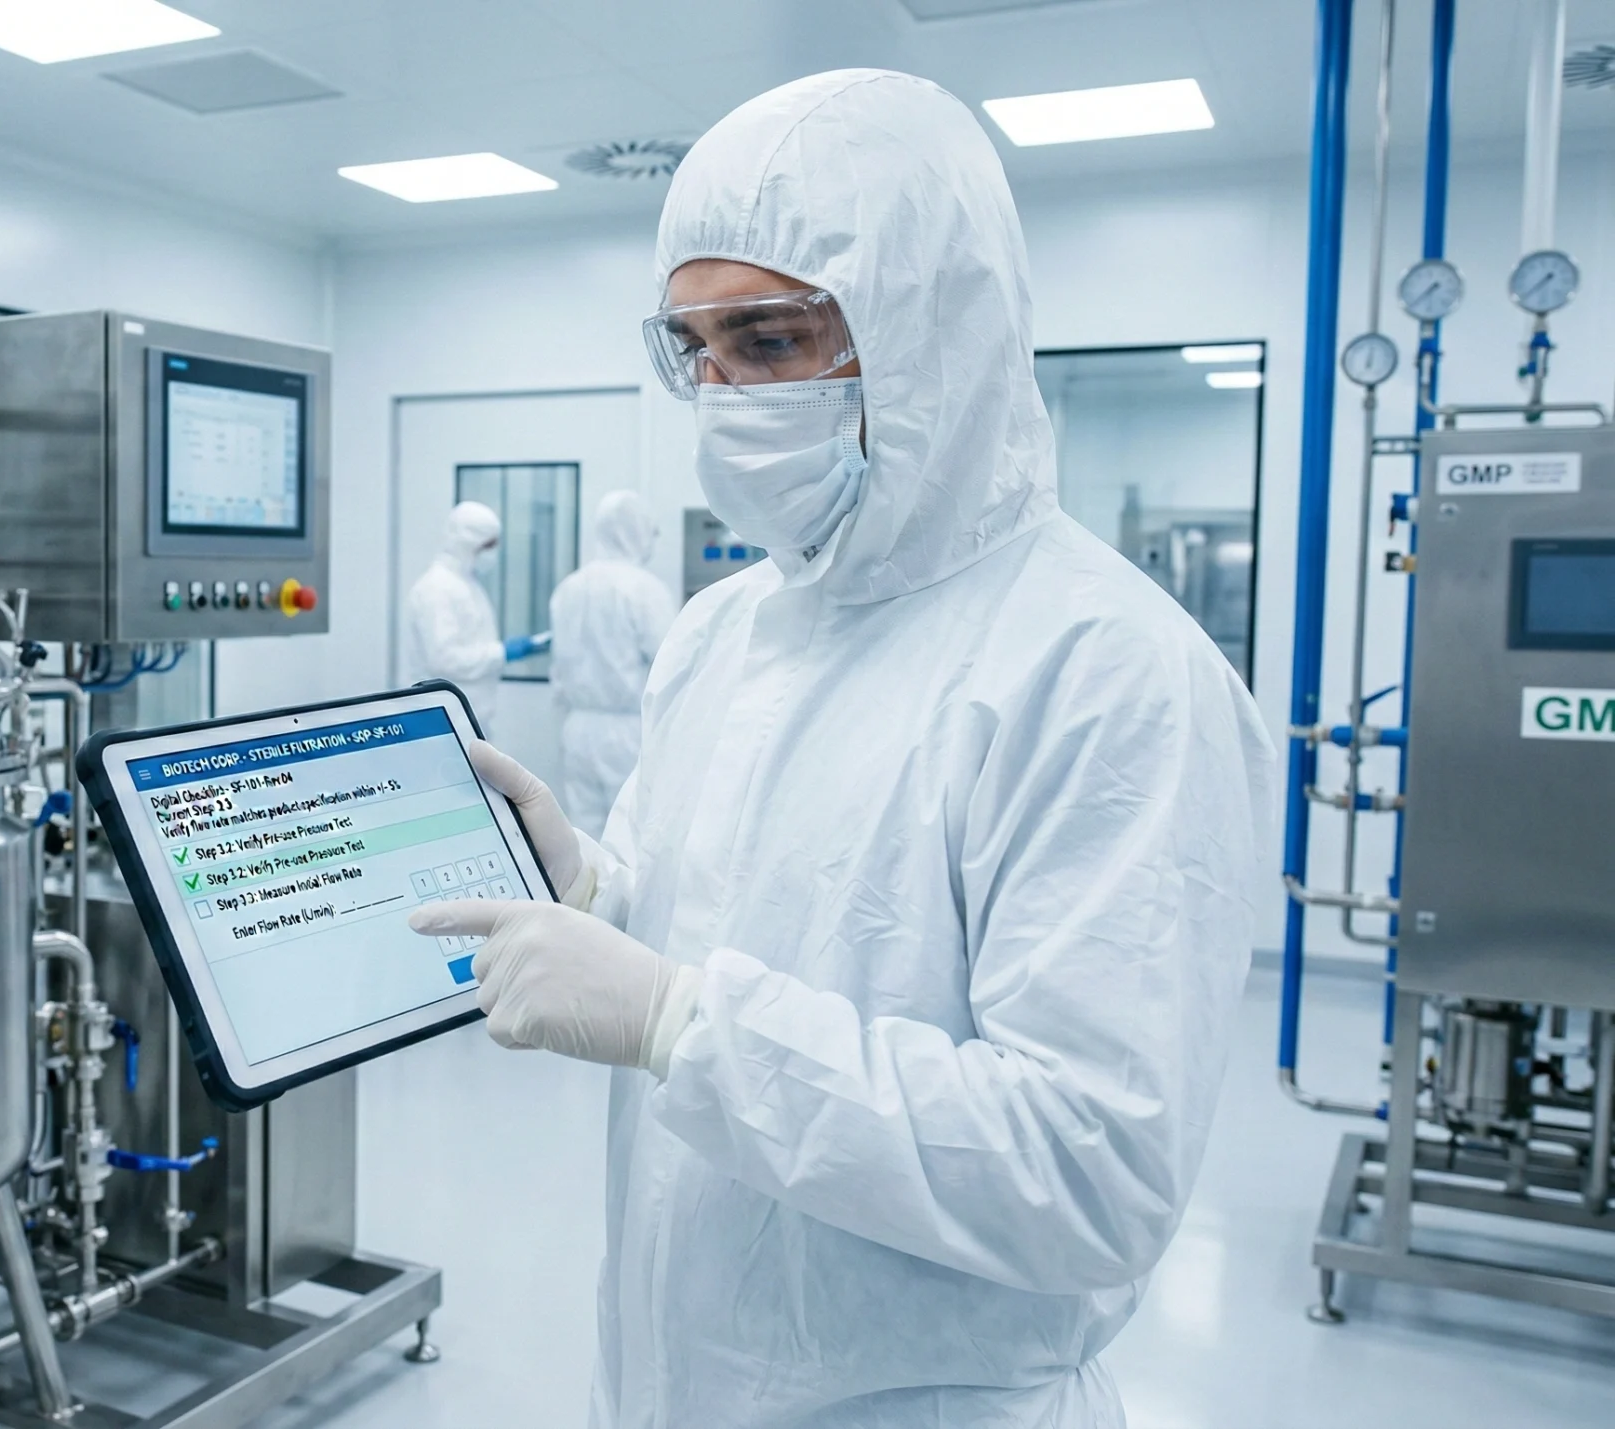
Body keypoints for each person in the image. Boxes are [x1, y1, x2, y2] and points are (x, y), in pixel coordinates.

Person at [409, 71, 1273, 1427]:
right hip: (675, 1371)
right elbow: (732, 921)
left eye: (767, 340)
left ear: (930, 329)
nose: (720, 392)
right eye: (694, 349)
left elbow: (1087, 1169)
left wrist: (679, 1024)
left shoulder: (1107, 669)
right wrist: (597, 891)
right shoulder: (726, 630)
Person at [548, 491, 678, 837]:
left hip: (576, 727)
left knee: (583, 832)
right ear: (636, 530)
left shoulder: (568, 588)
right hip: (628, 732)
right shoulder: (645, 589)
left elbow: (558, 667)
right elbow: (673, 662)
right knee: (631, 831)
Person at [401, 500, 529, 728]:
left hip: (466, 719)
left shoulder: (466, 584)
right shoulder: (437, 588)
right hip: (443, 721)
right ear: (469, 543)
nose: (492, 553)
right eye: (488, 545)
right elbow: (445, 660)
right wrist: (501, 653)